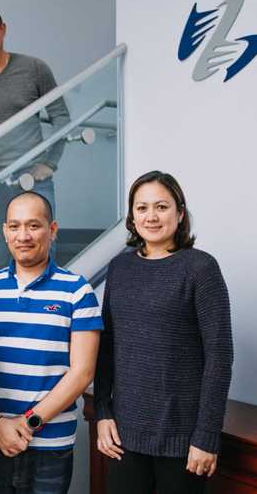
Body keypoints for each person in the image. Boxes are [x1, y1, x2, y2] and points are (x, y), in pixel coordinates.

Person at [93, 171, 233, 494]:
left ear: (180, 213)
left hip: (184, 443)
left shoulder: (201, 269)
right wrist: (102, 412)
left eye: (161, 207)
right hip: (123, 437)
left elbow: (219, 357)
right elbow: (108, 347)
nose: (151, 217)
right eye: (141, 208)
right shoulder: (120, 268)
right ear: (132, 217)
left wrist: (206, 435)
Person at [0, 191, 102, 494]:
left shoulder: (78, 291)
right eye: (14, 226)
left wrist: (26, 424)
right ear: (4, 232)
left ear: (52, 230)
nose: (23, 235)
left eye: (33, 225)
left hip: (50, 447)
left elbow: (82, 372)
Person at [0, 3, 71, 270]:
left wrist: (50, 163)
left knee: (43, 253)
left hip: (34, 180)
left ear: (3, 29)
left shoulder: (34, 68)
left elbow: (61, 117)